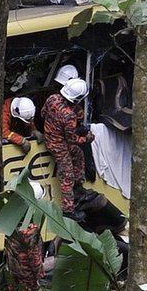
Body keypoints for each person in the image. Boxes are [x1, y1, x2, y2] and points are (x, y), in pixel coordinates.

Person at [42, 77, 94, 219]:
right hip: (59, 145)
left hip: (52, 137)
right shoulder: (69, 116)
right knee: (67, 175)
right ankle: (68, 210)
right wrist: (88, 138)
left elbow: (43, 113)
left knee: (78, 155)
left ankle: (77, 188)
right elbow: (73, 139)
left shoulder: (52, 98)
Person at [5, 182, 47, 291]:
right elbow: (34, 254)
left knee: (14, 288)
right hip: (25, 266)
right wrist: (39, 271)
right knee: (28, 290)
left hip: (12, 262)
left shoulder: (11, 217)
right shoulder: (30, 229)